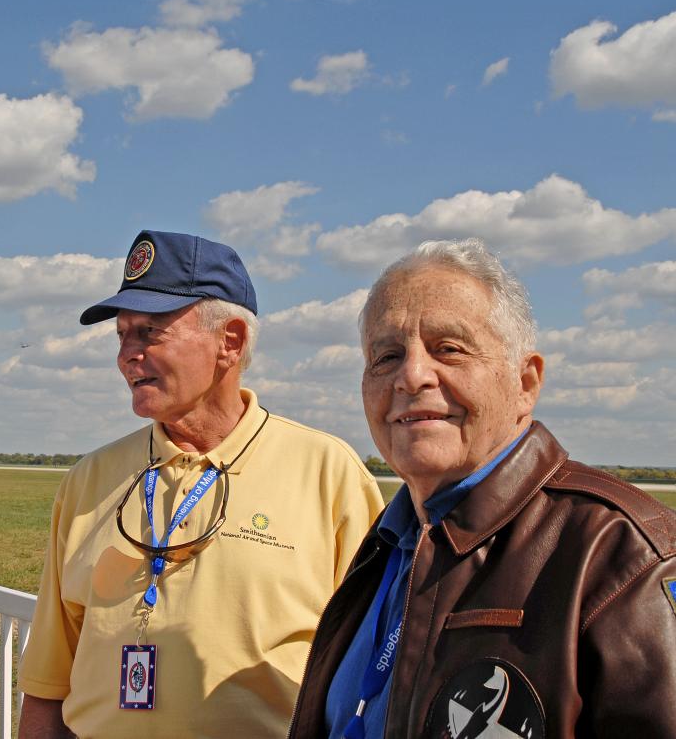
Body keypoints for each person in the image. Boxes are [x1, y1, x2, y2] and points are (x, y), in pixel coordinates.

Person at [288, 239, 676, 738]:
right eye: (386, 355)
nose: (412, 375)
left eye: (449, 348)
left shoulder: (623, 554)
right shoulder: (389, 542)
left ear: (526, 383)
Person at [18, 230, 383, 739]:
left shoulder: (329, 474)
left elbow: (375, 677)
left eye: (149, 332)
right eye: (121, 334)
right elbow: (49, 681)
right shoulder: (89, 479)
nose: (127, 354)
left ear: (229, 342)